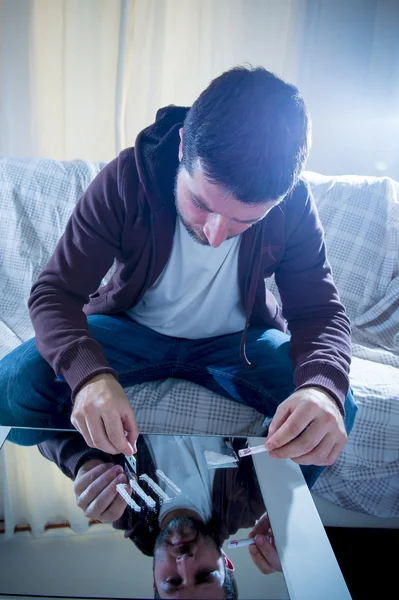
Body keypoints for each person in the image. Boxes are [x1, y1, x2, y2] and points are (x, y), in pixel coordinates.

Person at [0, 65, 358, 487]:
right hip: (128, 329)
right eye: (201, 203)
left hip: (237, 345)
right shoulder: (126, 178)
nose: (215, 234)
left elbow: (320, 312)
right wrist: (91, 377)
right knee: (16, 383)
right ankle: (89, 463)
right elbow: (55, 292)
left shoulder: (294, 204)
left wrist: (319, 391)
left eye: (244, 221)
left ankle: (275, 510)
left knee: (335, 403)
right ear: (184, 144)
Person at [38, 432, 282, 599]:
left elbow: (41, 434)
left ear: (155, 581)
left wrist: (83, 462)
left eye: (173, 582)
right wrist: (290, 518)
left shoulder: (120, 505)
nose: (184, 562)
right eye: (204, 575)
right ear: (226, 564)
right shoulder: (252, 501)